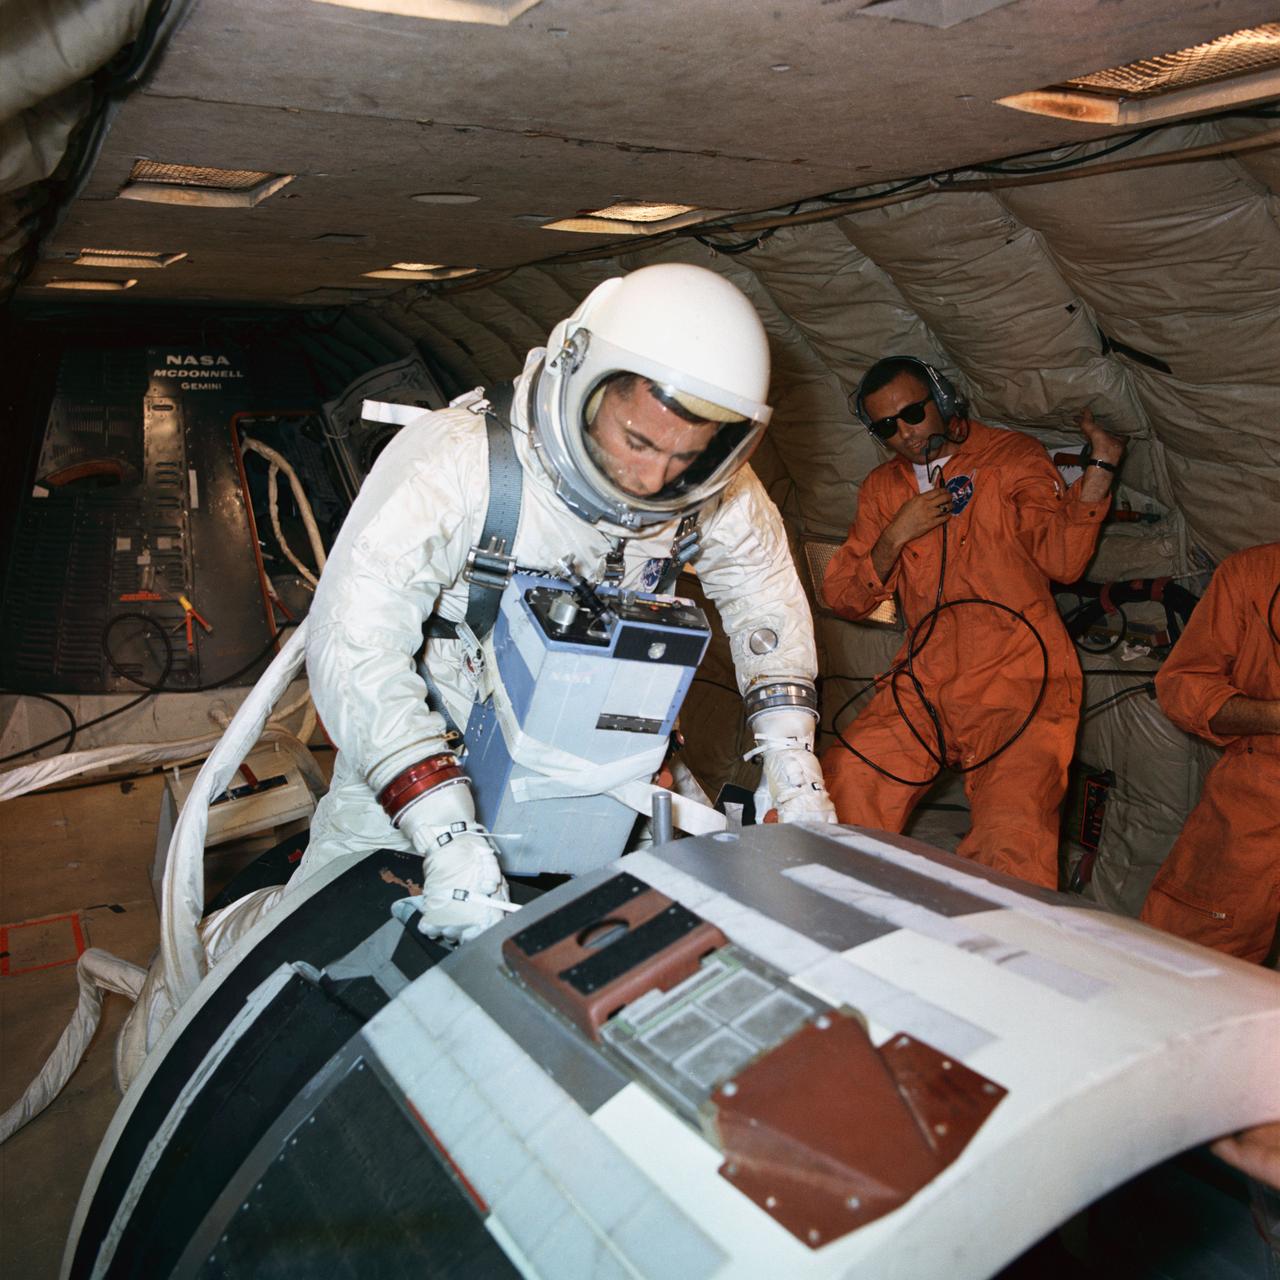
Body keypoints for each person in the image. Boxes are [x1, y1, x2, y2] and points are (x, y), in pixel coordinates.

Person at [297, 262, 836, 942]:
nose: (651, 478)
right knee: (311, 947)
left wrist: (792, 764)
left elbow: (763, 590)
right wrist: (443, 828)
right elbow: (357, 641)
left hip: (614, 762)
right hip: (435, 740)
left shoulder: (710, 489)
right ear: (579, 375)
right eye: (637, 440)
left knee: (684, 948)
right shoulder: (463, 461)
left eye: (683, 458)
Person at [820, 355, 1124, 888]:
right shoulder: (883, 489)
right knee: (842, 781)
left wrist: (1100, 466)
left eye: (912, 414)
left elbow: (1063, 559)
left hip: (1019, 678)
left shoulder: (1010, 457)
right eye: (886, 427)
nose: (905, 434)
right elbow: (844, 597)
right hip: (927, 678)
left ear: (942, 401)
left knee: (1013, 839)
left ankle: (1000, 957)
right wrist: (895, 535)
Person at [1138, 541, 1279, 962]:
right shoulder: (1251, 574)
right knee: (1182, 962)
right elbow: (1183, 684)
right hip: (1256, 790)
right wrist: (1270, 717)